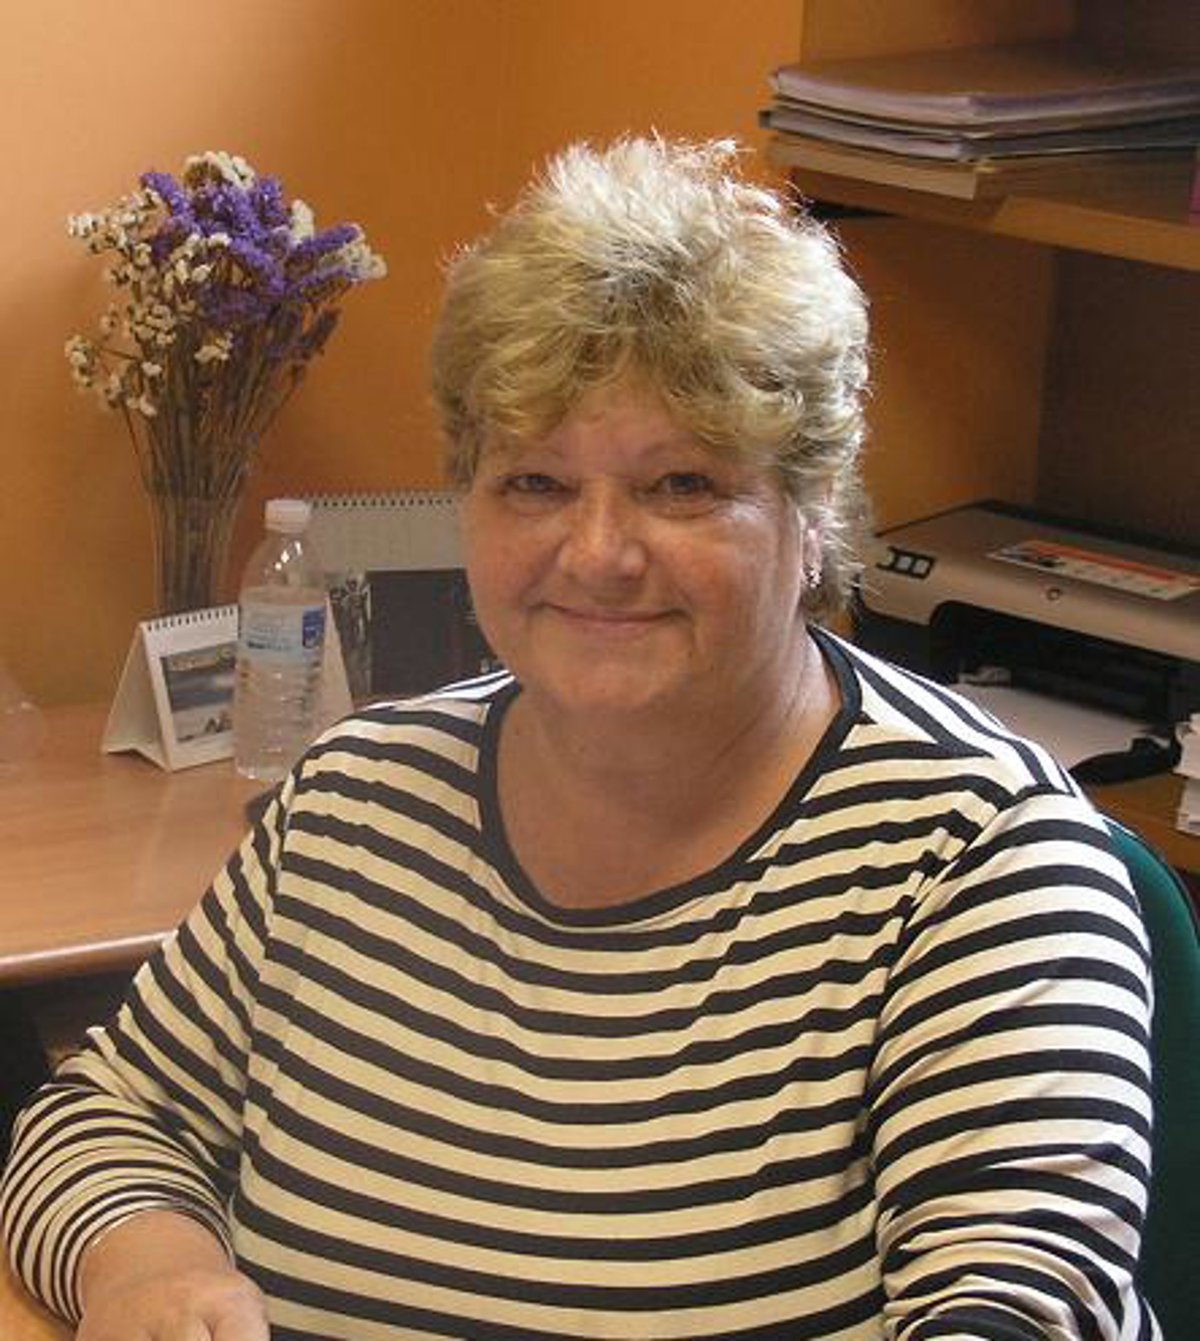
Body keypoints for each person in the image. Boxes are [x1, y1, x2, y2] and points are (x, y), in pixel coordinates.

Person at [0, 137, 1157, 1341]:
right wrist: (145, 1264)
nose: (599, 555)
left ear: (811, 514)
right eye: (536, 485)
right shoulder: (354, 801)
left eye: (682, 486)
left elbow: (1020, 1305)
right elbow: (103, 1120)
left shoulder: (982, 866)